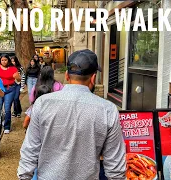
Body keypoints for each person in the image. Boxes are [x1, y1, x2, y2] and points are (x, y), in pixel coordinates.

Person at [17, 49, 126, 179]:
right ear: (93, 78)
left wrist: (24, 177)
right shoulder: (108, 110)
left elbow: (30, 150)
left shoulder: (42, 103)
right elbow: (115, 166)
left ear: (67, 75)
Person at [0, 54, 21, 134]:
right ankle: (0, 121)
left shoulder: (13, 68)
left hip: (10, 89)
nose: (4, 61)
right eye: (2, 60)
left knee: (7, 108)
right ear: (0, 61)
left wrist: (17, 77)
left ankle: (7, 126)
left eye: (5, 60)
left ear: (8, 60)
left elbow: (18, 80)